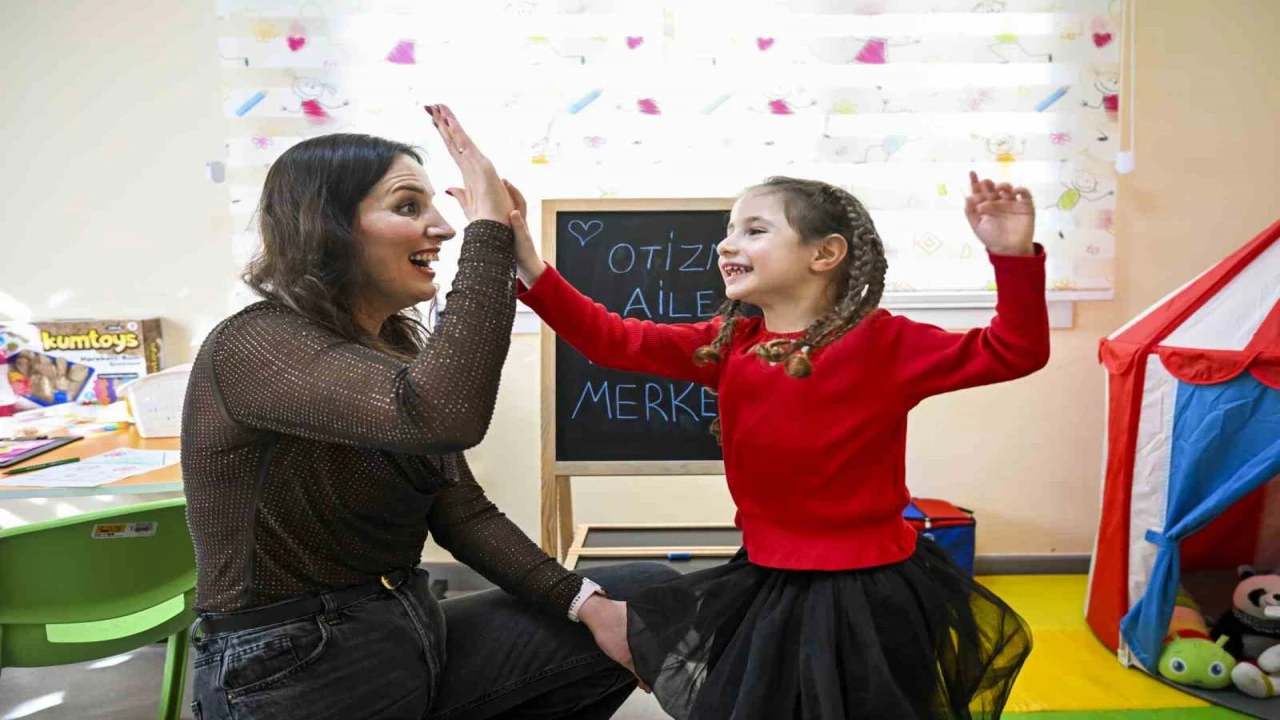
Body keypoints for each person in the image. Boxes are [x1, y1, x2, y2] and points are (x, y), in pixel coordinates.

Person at [181, 105, 674, 720]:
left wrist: (591, 607)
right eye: (409, 207)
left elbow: (460, 509)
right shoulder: (256, 345)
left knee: (647, 595)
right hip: (295, 661)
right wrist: (490, 232)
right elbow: (441, 417)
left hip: (406, 627)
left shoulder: (393, 346)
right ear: (327, 227)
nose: (442, 228)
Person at [510, 166, 1048, 718]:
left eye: (754, 230)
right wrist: (529, 262)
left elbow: (1015, 350)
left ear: (825, 254)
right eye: (730, 229)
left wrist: (1013, 258)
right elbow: (611, 339)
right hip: (766, 582)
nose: (727, 243)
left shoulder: (885, 343)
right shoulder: (729, 344)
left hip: (869, 592)